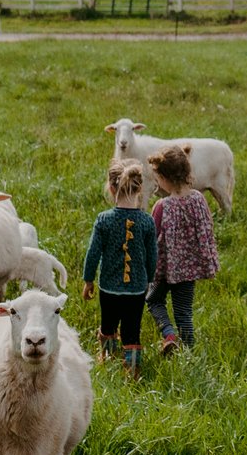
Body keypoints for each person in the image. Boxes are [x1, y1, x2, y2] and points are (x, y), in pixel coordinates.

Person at [145, 143, 221, 354]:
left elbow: (151, 238)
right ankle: (189, 351)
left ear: (165, 178)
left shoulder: (162, 206)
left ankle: (169, 335)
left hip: (166, 270)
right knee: (184, 312)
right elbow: (207, 228)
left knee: (153, 300)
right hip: (190, 270)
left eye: (158, 178)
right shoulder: (199, 199)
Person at [83, 161, 156, 375]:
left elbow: (93, 253)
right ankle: (132, 369)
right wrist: (149, 279)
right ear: (140, 188)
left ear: (111, 188)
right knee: (132, 330)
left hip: (108, 288)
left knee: (108, 325)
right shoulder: (146, 221)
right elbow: (153, 256)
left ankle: (107, 357)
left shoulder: (104, 219)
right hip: (137, 289)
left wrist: (88, 280)